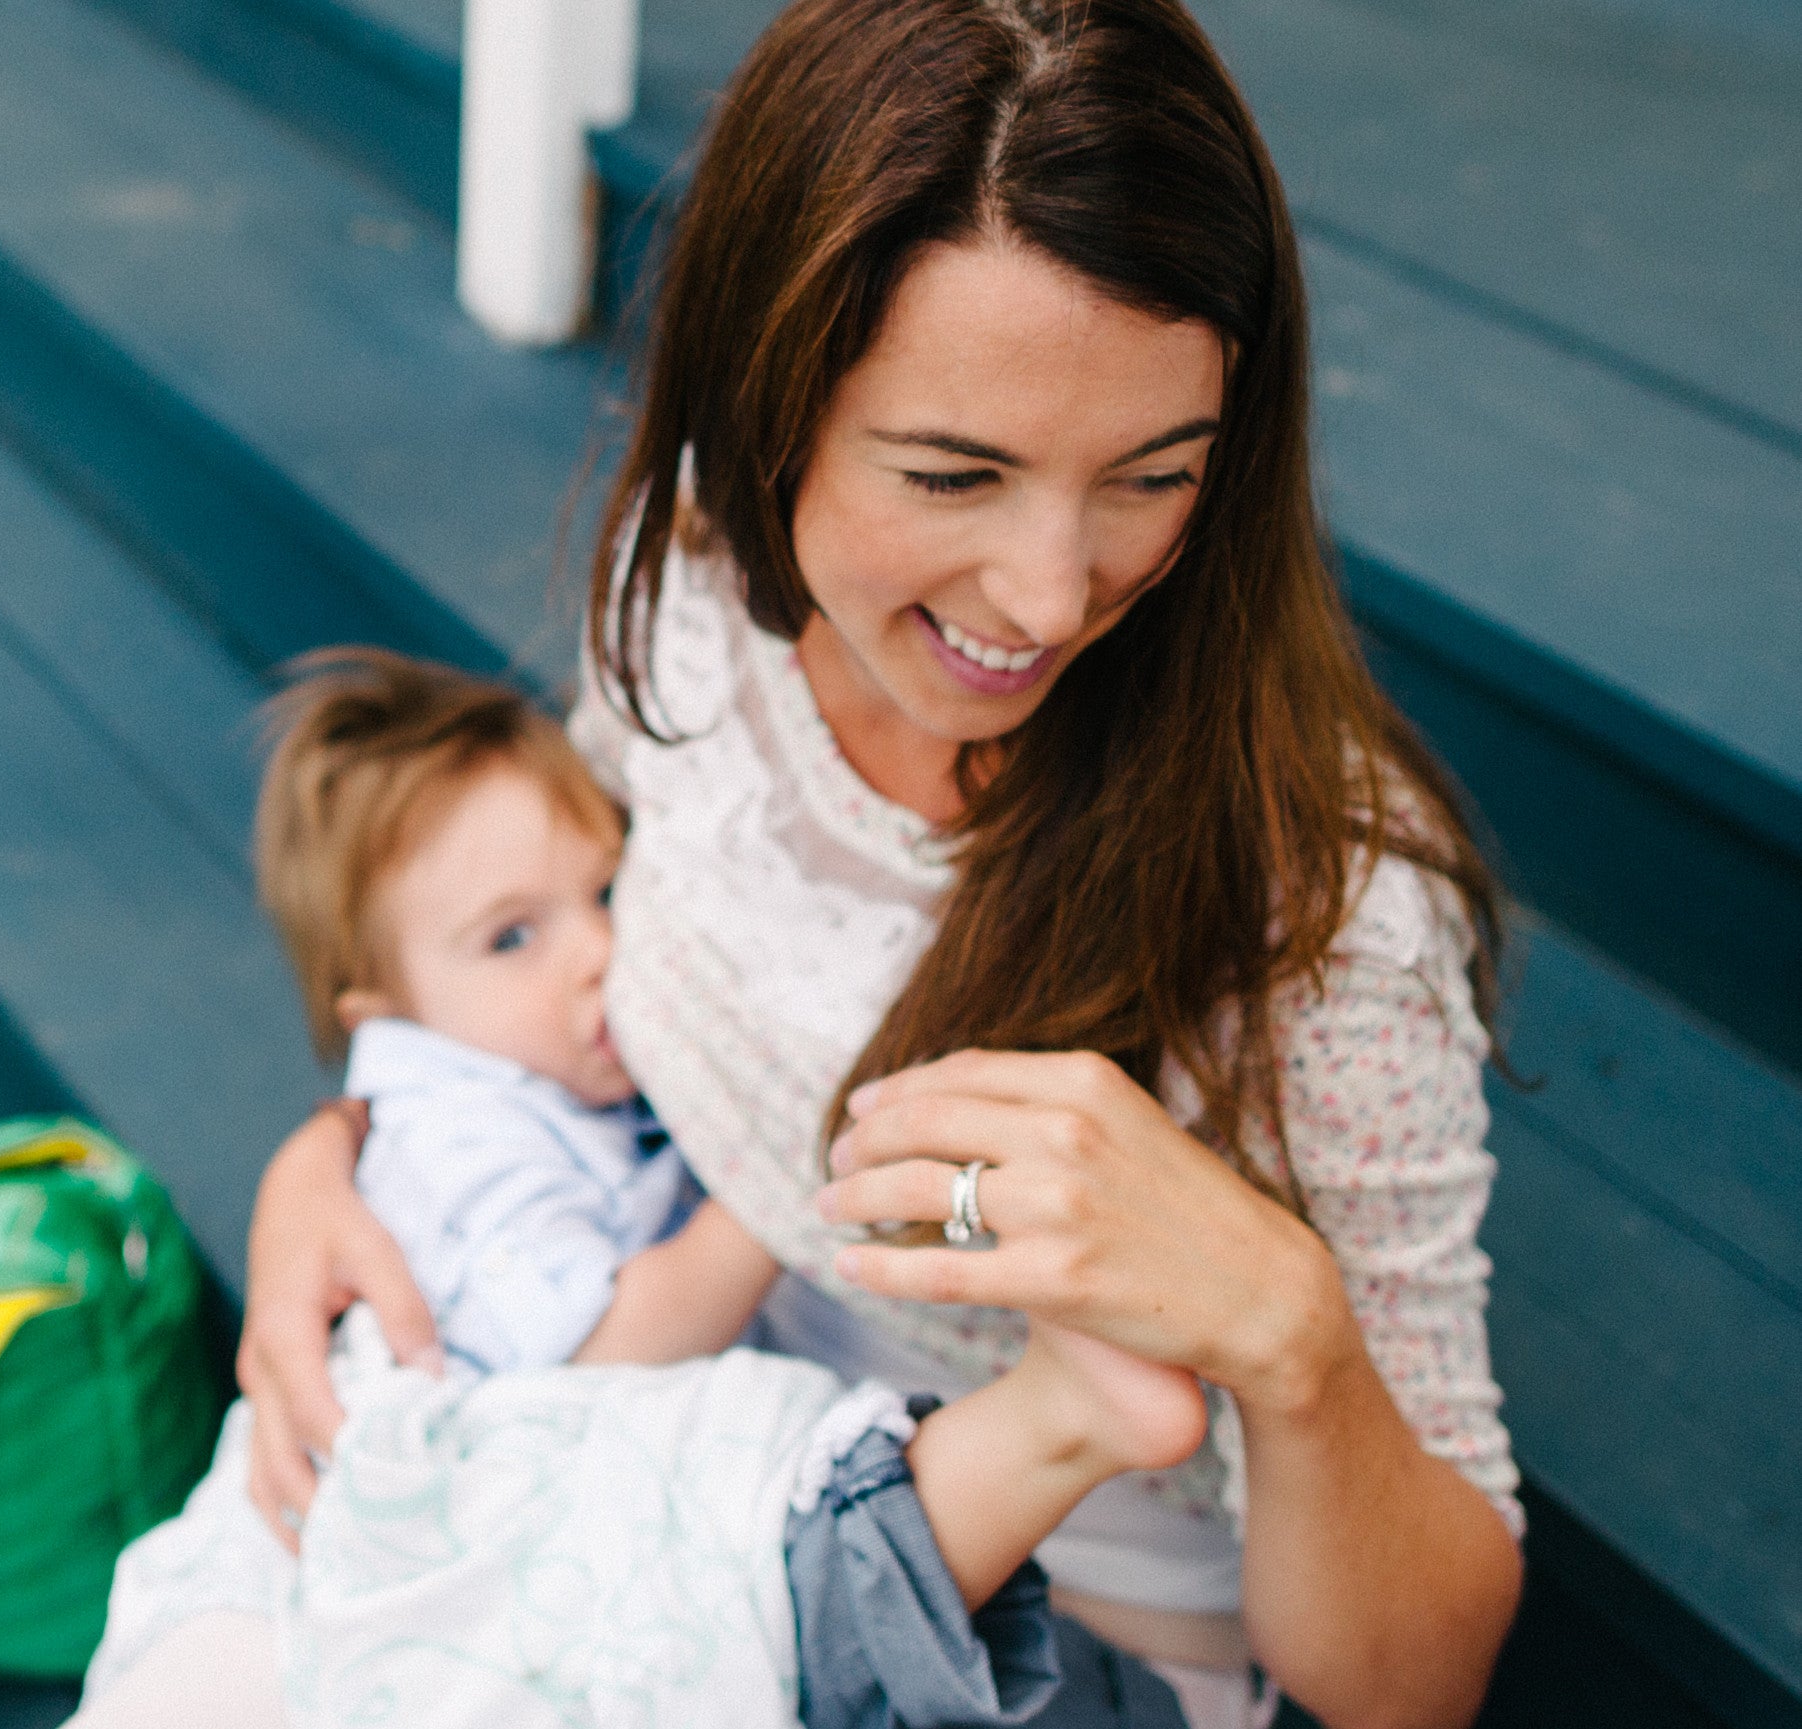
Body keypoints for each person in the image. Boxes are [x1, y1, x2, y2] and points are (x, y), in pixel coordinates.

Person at [231, 2, 1527, 1726]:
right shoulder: (695, 581)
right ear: (764, 409)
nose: (1050, 594)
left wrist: (1288, 1336)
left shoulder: (1323, 917)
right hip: (664, 1436)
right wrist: (333, 1159)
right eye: (951, 473)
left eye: (1151, 477)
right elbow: (579, 924)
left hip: (1049, 1632)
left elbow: (1412, 1684)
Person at [78, 649, 1203, 1729]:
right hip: (429, 1498)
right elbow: (604, 1349)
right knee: (731, 1576)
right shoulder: (460, 1137)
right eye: (511, 935)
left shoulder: (559, 1082)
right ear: (390, 1022)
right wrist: (770, 1177)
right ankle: (1060, 1421)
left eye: (605, 887)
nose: (595, 951)